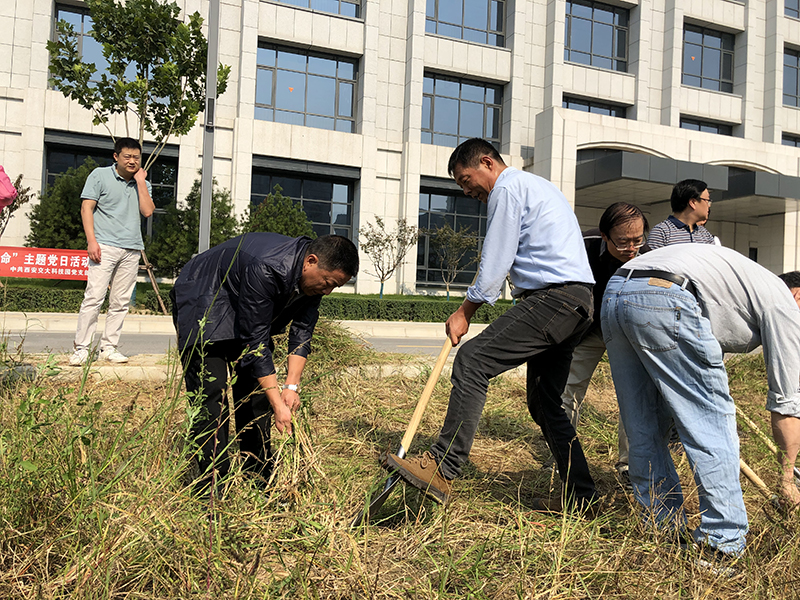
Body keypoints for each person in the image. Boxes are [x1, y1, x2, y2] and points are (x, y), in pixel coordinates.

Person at [388, 138, 598, 512]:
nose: (468, 191)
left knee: (472, 361)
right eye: (461, 186)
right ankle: (582, 497)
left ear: (487, 163)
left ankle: (442, 465)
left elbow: (497, 260)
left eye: (466, 180)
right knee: (544, 403)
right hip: (577, 302)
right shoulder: (535, 186)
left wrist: (465, 311)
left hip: (555, 299)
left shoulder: (509, 188)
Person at [601, 244, 800, 557]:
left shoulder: (746, 283)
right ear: (799, 295)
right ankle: (722, 545)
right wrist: (787, 479)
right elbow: (787, 403)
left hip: (616, 293)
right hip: (667, 295)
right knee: (711, 426)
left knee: (644, 425)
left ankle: (661, 526)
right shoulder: (784, 304)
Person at [171, 233, 358, 494]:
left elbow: (302, 331)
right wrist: (277, 403)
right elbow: (256, 339)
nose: (327, 290)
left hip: (243, 308)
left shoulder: (314, 281)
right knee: (210, 395)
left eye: (334, 287)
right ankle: (211, 489)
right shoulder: (268, 266)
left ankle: (258, 479)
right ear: (311, 261)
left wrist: (291, 387)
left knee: (255, 395)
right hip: (204, 297)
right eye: (328, 282)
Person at [559, 203, 649, 487]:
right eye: (622, 242)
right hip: (587, 330)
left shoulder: (649, 258)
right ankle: (563, 454)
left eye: (637, 240)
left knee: (631, 396)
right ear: (605, 235)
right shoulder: (582, 246)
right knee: (569, 389)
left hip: (627, 334)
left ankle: (628, 465)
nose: (631, 248)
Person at [69, 138, 154, 366]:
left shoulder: (141, 182)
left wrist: (141, 182)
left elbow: (147, 211)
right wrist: (91, 241)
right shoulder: (99, 175)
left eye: (136, 157)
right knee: (94, 297)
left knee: (120, 302)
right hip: (104, 245)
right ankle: (82, 349)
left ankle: (109, 347)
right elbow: (87, 207)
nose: (132, 161)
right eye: (127, 156)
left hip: (132, 247)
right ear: (116, 156)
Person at [646, 179, 715, 249]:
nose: (709, 205)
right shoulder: (661, 233)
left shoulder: (705, 235)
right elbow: (652, 259)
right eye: (707, 200)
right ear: (693, 202)